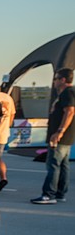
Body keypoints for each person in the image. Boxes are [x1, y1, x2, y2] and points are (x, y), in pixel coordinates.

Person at [31, 68, 75, 204]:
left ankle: (48, 194)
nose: (54, 81)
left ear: (62, 80)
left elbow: (70, 112)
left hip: (60, 136)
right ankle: (60, 193)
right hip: (65, 137)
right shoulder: (67, 93)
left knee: (53, 164)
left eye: (56, 78)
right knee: (63, 165)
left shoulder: (67, 93)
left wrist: (59, 132)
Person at [0, 79, 15, 192]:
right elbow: (12, 114)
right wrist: (7, 126)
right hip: (4, 132)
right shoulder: (8, 97)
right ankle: (3, 177)